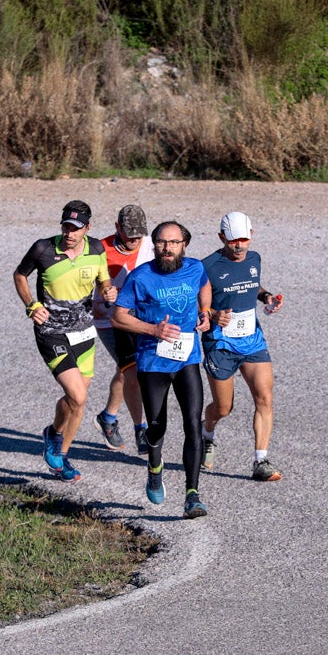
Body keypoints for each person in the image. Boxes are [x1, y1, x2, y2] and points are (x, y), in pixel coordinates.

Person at [112, 221, 212, 519]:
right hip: (152, 362)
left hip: (187, 359)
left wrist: (205, 312)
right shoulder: (141, 277)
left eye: (173, 242)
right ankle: (154, 467)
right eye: (161, 242)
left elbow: (205, 286)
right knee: (157, 426)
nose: (167, 248)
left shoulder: (195, 268)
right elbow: (118, 316)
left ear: (184, 245)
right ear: (153, 244)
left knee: (193, 423)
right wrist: (152, 329)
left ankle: (192, 495)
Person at [14, 200, 116, 482]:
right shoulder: (43, 249)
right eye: (65, 226)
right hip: (52, 332)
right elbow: (20, 275)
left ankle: (61, 456)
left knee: (77, 402)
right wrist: (31, 305)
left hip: (84, 331)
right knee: (78, 395)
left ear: (88, 227)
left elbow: (103, 281)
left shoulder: (96, 249)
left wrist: (108, 291)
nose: (69, 233)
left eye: (75, 228)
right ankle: (54, 435)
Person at [200, 211, 284, 482]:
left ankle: (261, 461)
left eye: (244, 239)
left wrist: (267, 297)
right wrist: (213, 314)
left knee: (265, 398)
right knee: (224, 408)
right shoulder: (207, 266)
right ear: (222, 237)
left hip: (252, 340)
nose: (239, 246)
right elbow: (194, 304)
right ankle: (207, 432)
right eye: (233, 240)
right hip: (220, 344)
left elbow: (251, 286)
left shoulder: (254, 258)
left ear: (252, 235)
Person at [91, 204, 154, 455]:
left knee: (127, 370)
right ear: (117, 228)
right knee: (133, 372)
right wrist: (102, 296)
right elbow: (84, 286)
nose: (135, 239)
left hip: (140, 318)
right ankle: (142, 429)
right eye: (129, 233)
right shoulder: (99, 250)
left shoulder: (150, 245)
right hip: (109, 320)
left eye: (139, 233)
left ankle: (107, 418)